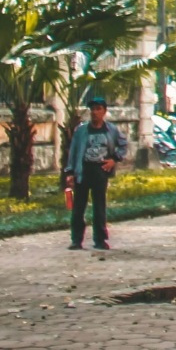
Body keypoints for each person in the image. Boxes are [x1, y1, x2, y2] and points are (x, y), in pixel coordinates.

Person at [65, 96, 129, 251]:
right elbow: (73, 151)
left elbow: (124, 145)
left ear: (104, 112)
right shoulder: (81, 131)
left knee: (99, 206)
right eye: (92, 109)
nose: (94, 112)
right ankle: (76, 240)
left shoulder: (111, 130)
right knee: (79, 207)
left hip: (100, 171)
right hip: (83, 170)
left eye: (98, 109)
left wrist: (114, 159)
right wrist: (70, 172)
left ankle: (100, 239)